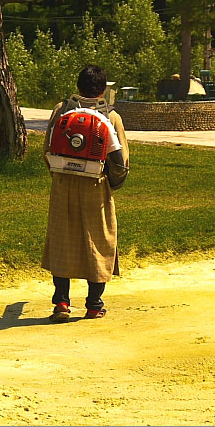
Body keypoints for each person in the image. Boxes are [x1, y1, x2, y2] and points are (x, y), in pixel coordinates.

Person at [41, 65, 130, 322]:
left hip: (63, 184)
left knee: (62, 240)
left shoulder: (62, 110)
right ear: (103, 90)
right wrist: (110, 184)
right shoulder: (112, 117)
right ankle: (93, 304)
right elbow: (121, 161)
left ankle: (61, 302)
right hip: (96, 185)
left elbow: (47, 149)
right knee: (99, 241)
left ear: (78, 87)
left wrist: (59, 174)